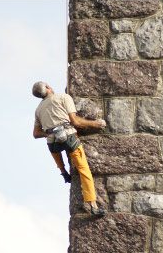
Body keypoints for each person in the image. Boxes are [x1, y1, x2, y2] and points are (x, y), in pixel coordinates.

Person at [32, 81, 107, 216]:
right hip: (68, 137)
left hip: (52, 142)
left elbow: (36, 134)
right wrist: (94, 123)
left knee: (54, 148)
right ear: (48, 87)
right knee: (84, 170)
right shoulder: (63, 97)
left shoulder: (38, 110)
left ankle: (63, 172)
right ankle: (93, 205)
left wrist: (50, 132)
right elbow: (75, 121)